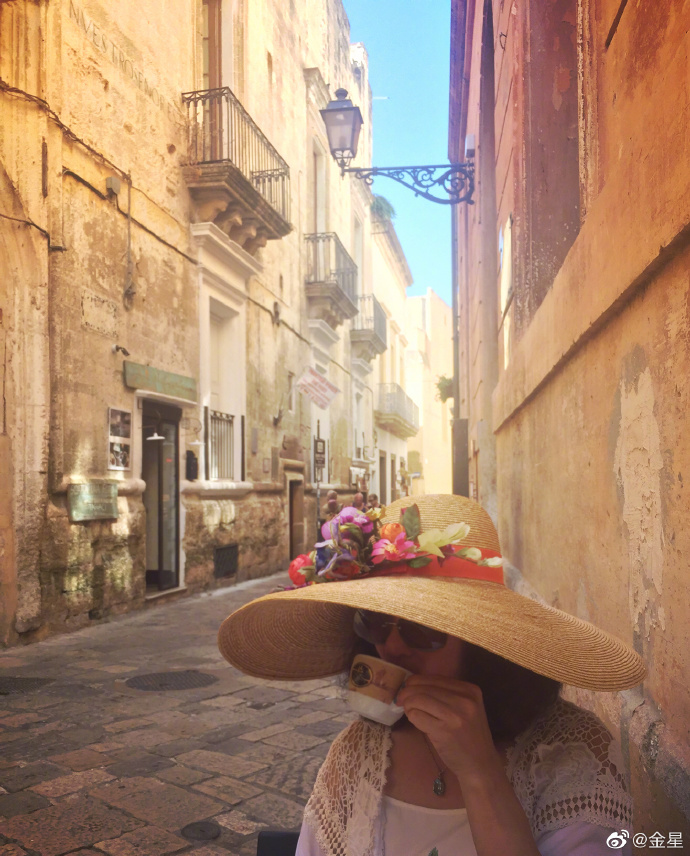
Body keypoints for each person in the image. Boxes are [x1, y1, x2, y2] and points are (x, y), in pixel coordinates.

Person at [218, 494, 644, 856]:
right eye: (376, 622)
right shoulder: (358, 753)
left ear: (483, 642)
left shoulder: (572, 756)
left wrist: (480, 773)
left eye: (423, 630)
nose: (392, 647)